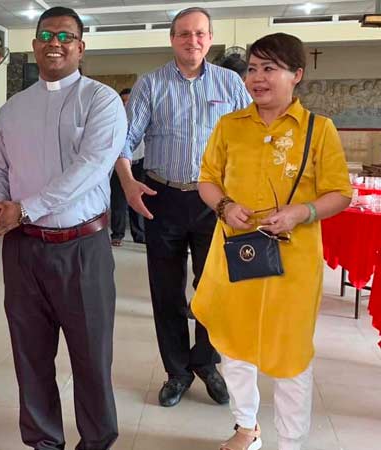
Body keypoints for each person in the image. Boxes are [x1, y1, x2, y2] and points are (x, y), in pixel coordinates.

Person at [192, 33, 352, 450]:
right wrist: (225, 206)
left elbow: (340, 193)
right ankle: (247, 428)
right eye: (252, 69)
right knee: (234, 348)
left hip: (292, 263)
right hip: (237, 255)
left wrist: (302, 212)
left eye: (270, 68)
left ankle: (291, 443)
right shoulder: (229, 126)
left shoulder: (319, 130)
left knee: (291, 356)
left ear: (296, 75)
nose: (257, 78)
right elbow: (207, 179)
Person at [0, 7, 127, 450]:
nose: (54, 43)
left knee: (91, 356)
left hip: (82, 247)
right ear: (34, 46)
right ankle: (44, 441)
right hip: (24, 250)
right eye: (46, 36)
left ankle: (96, 441)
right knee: (31, 356)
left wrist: (24, 208)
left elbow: (91, 168)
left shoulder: (101, 101)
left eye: (65, 36)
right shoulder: (13, 109)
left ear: (80, 47)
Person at [115, 7, 251, 408]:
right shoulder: (150, 84)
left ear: (210, 39)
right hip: (164, 198)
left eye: (200, 33)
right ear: (172, 39)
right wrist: (128, 184)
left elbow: (249, 138)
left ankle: (206, 362)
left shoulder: (230, 83)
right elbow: (123, 142)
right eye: (184, 33)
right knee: (166, 290)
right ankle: (177, 371)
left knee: (214, 289)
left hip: (215, 202)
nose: (193, 40)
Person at [110, 88, 145, 246]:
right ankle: (117, 234)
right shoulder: (113, 119)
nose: (126, 105)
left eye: (129, 101)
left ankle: (139, 234)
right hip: (119, 164)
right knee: (118, 201)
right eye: (123, 101)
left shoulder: (144, 117)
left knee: (139, 199)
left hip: (140, 163)